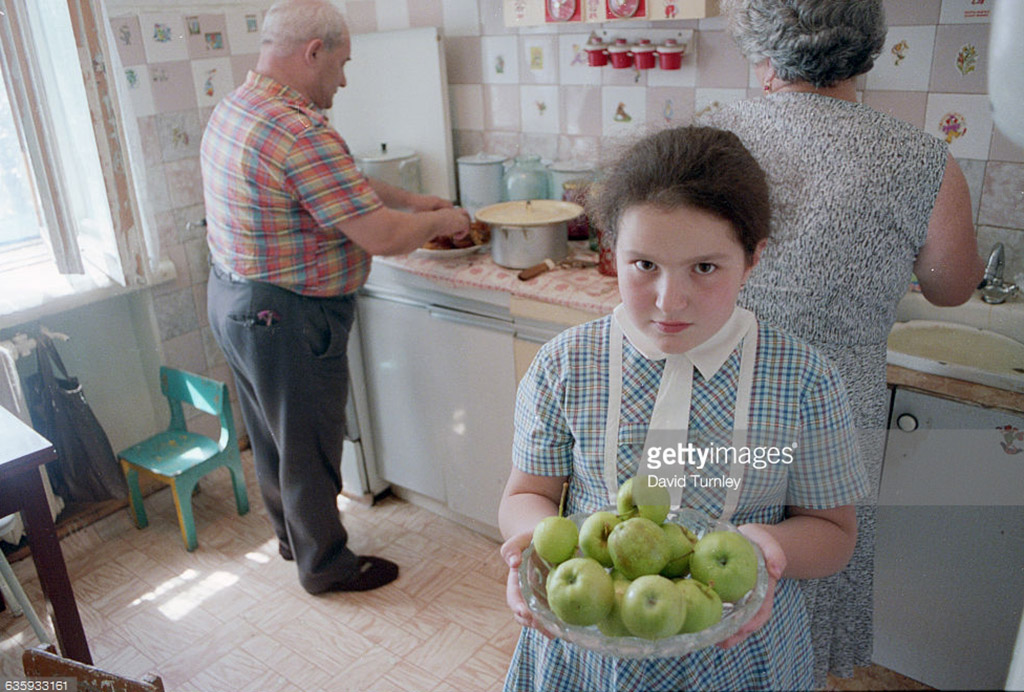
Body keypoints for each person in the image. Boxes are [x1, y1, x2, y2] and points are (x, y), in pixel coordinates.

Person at [498, 126, 870, 691]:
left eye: (705, 267)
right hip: (593, 654)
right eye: (643, 265)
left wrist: (770, 549)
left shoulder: (805, 381)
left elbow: (834, 533)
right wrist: (533, 551)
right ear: (610, 252)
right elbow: (529, 493)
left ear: (753, 259)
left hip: (741, 655)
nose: (670, 301)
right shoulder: (564, 366)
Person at [700, 0, 985, 684]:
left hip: (715, 393)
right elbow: (950, 287)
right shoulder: (922, 158)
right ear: (866, 50)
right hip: (832, 412)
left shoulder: (712, 136)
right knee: (810, 573)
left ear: (762, 50)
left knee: (705, 569)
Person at [201, 0, 469, 594]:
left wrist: (410, 200)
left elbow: (340, 178)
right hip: (288, 314)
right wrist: (441, 220)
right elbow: (379, 236)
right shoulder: (299, 129)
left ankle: (292, 539)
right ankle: (325, 566)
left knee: (272, 437)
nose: (344, 80)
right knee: (309, 445)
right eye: (341, 64)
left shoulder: (241, 105)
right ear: (312, 52)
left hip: (235, 299)